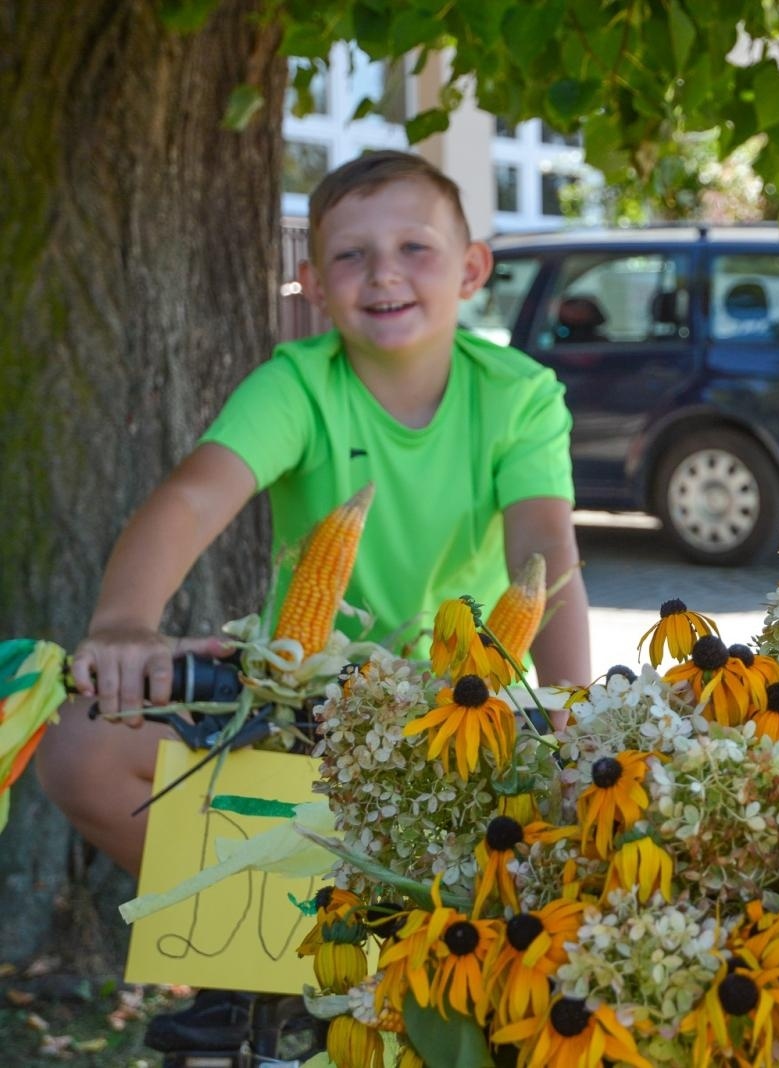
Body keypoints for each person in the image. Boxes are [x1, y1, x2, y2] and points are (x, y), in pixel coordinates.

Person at [37, 149, 592, 879]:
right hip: (306, 708)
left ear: (472, 270)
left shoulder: (519, 396)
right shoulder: (295, 386)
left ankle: (387, 951)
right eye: (351, 255)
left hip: (463, 714)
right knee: (79, 746)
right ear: (318, 286)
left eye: (414, 248)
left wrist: (572, 720)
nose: (384, 273)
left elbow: (544, 550)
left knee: (594, 795)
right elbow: (192, 497)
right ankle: (271, 953)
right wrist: (123, 622)